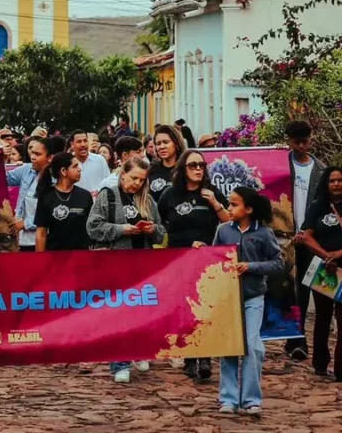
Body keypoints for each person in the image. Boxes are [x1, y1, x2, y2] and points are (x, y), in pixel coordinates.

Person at [203, 187, 284, 415]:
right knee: (228, 346)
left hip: (253, 297)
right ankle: (228, 398)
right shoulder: (222, 231)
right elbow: (212, 260)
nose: (229, 208)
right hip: (227, 299)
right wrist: (202, 251)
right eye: (229, 204)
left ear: (249, 209)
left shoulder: (264, 234)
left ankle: (251, 399)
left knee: (252, 345)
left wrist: (251, 267)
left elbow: (278, 263)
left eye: (234, 204)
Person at [87, 157, 166, 383]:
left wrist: (152, 229)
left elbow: (161, 232)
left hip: (143, 263)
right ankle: (119, 362)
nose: (136, 184)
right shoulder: (108, 196)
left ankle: (138, 349)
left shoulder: (148, 201)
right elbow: (92, 226)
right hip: (116, 261)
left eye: (141, 180)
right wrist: (121, 229)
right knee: (117, 313)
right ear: (123, 174)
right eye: (133, 178)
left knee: (141, 311)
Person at [157, 151, 230, 381]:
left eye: (201, 165)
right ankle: (189, 356)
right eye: (192, 165)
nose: (198, 169)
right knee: (185, 308)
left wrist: (215, 203)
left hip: (207, 258)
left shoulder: (210, 192)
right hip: (179, 258)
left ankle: (205, 357)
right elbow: (161, 223)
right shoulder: (170, 195)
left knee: (205, 307)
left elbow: (228, 221)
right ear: (183, 169)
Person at [294, 166, 342, 380]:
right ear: (326, 183)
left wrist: (338, 253)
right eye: (332, 180)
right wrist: (325, 255)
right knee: (322, 317)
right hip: (324, 269)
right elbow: (307, 235)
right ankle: (320, 363)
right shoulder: (317, 207)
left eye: (340, 180)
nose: (336, 184)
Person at [284, 120, 326, 361]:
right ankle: (296, 338)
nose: (300, 146)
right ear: (289, 141)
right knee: (289, 287)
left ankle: (297, 339)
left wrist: (308, 231)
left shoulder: (320, 169)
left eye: (304, 142)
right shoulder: (282, 165)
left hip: (311, 238)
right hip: (286, 237)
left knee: (306, 287)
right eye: (296, 142)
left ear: (311, 140)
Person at [35, 152, 94, 251]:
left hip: (81, 257)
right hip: (55, 257)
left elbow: (92, 227)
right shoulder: (46, 196)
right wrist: (41, 261)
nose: (79, 169)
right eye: (75, 166)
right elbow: (41, 233)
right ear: (63, 171)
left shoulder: (85, 195)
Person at [9, 137, 52, 252]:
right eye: (32, 153)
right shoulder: (26, 169)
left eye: (38, 154)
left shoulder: (56, 180)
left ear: (50, 158)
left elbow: (50, 212)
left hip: (45, 239)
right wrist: (1, 159)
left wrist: (26, 223)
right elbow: (2, 178)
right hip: (23, 240)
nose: (32, 157)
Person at [148, 125, 186, 202]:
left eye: (166, 142)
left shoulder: (187, 169)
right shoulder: (150, 170)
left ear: (176, 143)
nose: (161, 147)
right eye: (158, 143)